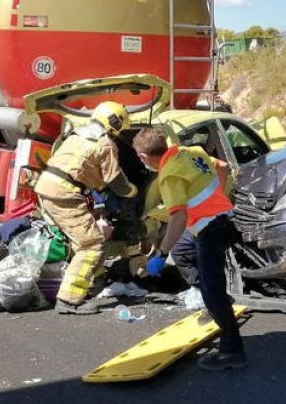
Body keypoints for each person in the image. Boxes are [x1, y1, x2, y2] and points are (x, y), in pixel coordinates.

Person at [134, 126, 246, 372]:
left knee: (212, 289)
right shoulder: (191, 151)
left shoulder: (169, 176)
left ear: (143, 157)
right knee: (182, 252)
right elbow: (223, 167)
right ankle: (216, 302)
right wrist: (218, 196)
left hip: (210, 229)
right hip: (223, 219)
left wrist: (161, 253)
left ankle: (232, 351)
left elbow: (178, 218)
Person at [35, 101, 138, 314]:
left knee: (79, 241)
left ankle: (93, 280)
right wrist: (133, 192)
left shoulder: (76, 135)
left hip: (46, 186)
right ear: (116, 123)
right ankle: (69, 299)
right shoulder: (106, 144)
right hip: (65, 193)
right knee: (91, 244)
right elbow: (116, 181)